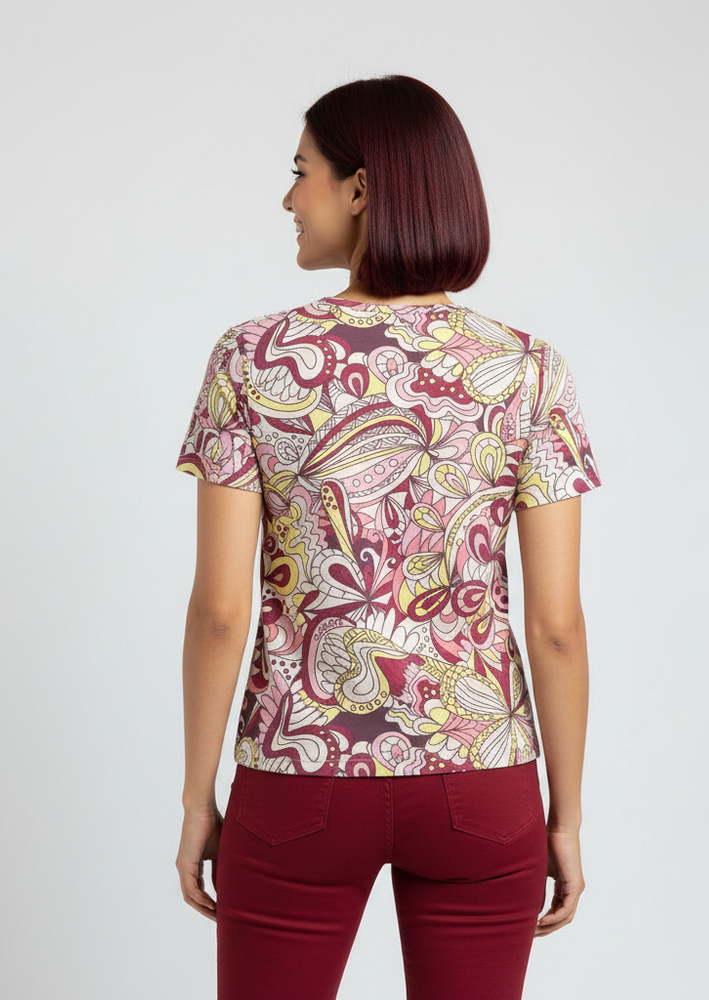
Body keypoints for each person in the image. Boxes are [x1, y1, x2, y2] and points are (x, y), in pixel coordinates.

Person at [173, 75, 602, 1000]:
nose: (289, 199)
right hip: (481, 782)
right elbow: (558, 625)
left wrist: (197, 794)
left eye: (302, 172)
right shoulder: (528, 371)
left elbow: (220, 611)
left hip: (298, 775)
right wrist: (564, 815)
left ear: (360, 188)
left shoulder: (253, 359)